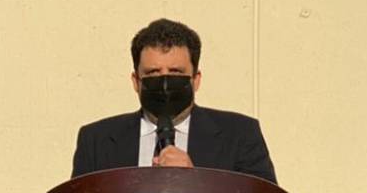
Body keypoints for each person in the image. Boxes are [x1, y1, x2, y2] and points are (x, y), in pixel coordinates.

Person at [71, 18, 277, 182]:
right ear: (136, 81)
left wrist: (195, 180)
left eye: (175, 72)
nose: (165, 81)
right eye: (153, 72)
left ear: (196, 79)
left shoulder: (239, 135)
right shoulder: (96, 140)